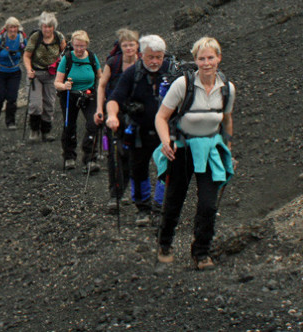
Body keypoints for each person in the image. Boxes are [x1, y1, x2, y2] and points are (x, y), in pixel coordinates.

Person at [154, 37, 235, 269]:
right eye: (202, 58)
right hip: (182, 149)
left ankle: (201, 252)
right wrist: (165, 141)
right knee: (174, 200)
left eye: (211, 57)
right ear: (195, 60)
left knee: (209, 205)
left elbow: (227, 121)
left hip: (210, 151)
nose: (207, 63)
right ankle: (165, 243)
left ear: (219, 58)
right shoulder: (183, 85)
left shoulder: (227, 88)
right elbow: (161, 116)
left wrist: (227, 150)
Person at [96, 34, 172, 226]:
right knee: (138, 170)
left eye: (159, 57)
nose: (155, 61)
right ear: (142, 54)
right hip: (140, 131)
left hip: (167, 131)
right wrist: (112, 115)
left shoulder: (171, 71)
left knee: (168, 169)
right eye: (150, 57)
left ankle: (161, 206)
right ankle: (143, 208)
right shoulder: (132, 73)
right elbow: (115, 98)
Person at [96, 29, 140, 208]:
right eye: (125, 45)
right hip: (114, 113)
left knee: (130, 154)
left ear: (137, 46)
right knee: (114, 153)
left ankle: (124, 189)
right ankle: (115, 194)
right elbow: (102, 86)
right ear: (120, 47)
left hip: (135, 115)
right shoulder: (113, 63)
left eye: (132, 45)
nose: (129, 48)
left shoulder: (143, 63)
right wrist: (99, 109)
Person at [55, 30, 101, 170]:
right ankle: (69, 156)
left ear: (87, 44)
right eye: (76, 46)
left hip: (89, 94)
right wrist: (64, 86)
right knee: (69, 125)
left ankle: (90, 158)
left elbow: (101, 76)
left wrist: (104, 91)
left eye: (82, 46)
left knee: (93, 124)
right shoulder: (67, 58)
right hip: (70, 95)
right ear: (72, 45)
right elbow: (57, 82)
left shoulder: (92, 57)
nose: (79, 49)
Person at [23, 11, 67, 142]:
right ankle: (34, 130)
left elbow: (65, 54)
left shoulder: (59, 37)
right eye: (44, 26)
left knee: (49, 103)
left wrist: (63, 70)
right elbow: (26, 56)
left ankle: (46, 131)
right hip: (35, 74)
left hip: (52, 75)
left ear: (53, 26)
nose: (47, 29)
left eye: (49, 26)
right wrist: (29, 69)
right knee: (36, 104)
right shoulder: (36, 37)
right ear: (41, 26)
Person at [0, 17, 27, 129]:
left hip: (15, 72)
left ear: (18, 28)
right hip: (0, 72)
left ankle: (10, 122)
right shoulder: (1, 39)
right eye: (11, 27)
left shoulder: (21, 39)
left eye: (15, 27)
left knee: (12, 98)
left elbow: (27, 53)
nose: (13, 29)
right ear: (6, 28)